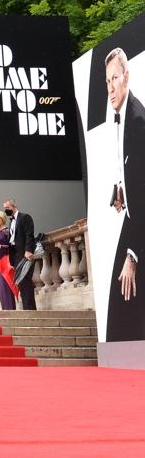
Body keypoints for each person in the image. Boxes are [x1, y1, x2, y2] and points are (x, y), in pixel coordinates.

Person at [102, 48, 145, 341]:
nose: (110, 87)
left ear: (126, 77)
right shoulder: (122, 116)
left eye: (114, 78)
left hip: (139, 224)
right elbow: (129, 170)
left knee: (125, 301)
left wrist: (132, 255)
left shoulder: (138, 120)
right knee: (121, 310)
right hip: (133, 216)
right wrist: (120, 191)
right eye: (107, 81)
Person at [3, 198, 36, 310]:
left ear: (14, 206)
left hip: (25, 254)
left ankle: (30, 309)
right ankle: (27, 308)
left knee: (26, 281)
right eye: (5, 208)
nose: (6, 210)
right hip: (16, 256)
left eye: (7, 207)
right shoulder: (11, 221)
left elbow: (29, 234)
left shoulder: (25, 217)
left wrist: (28, 250)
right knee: (21, 283)